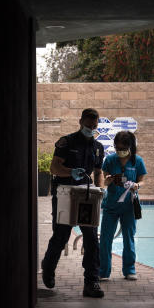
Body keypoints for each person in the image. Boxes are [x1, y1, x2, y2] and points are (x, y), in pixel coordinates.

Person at [41, 108, 106, 298]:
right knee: (61, 236)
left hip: (86, 197)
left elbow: (98, 172)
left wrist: (100, 190)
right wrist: (70, 172)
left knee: (92, 238)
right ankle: (48, 267)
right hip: (65, 195)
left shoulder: (98, 147)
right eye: (88, 125)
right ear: (80, 122)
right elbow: (54, 167)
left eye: (94, 126)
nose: (91, 129)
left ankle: (91, 282)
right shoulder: (67, 142)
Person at [98, 130, 147, 281]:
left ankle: (129, 270)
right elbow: (104, 181)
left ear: (130, 146)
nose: (119, 151)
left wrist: (137, 185)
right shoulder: (110, 160)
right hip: (111, 205)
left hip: (129, 207)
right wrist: (108, 180)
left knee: (129, 237)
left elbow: (142, 180)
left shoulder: (137, 161)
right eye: (117, 148)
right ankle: (103, 272)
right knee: (105, 238)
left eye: (123, 148)